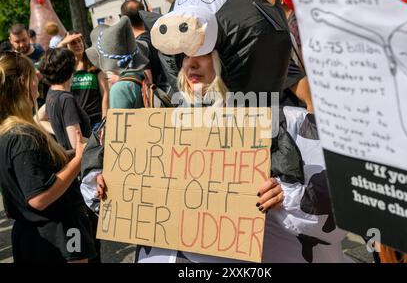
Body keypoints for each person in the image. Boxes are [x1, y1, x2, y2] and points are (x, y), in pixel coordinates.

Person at [103, 51, 347, 263]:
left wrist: (287, 197)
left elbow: (338, 213)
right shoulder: (163, 126)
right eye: (185, 56)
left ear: (225, 59)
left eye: (203, 52)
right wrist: (110, 185)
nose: (191, 64)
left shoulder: (284, 122)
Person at [0, 50, 96, 263]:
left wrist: (74, 155)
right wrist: (79, 159)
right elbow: (39, 198)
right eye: (34, 74)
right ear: (25, 82)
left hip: (45, 234)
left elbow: (38, 169)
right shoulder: (22, 136)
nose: (38, 79)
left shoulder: (13, 131)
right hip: (57, 236)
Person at [58, 31, 109, 130]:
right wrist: (61, 44)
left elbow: (105, 93)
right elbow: (48, 61)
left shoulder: (94, 64)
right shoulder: (65, 69)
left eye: (79, 41)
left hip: (96, 121)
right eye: (73, 42)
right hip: (75, 121)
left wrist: (105, 119)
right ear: (66, 46)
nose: (78, 45)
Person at [121, 0, 169, 93]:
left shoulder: (138, 46)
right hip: (170, 91)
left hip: (158, 98)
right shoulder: (157, 36)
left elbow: (148, 83)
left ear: (125, 19)